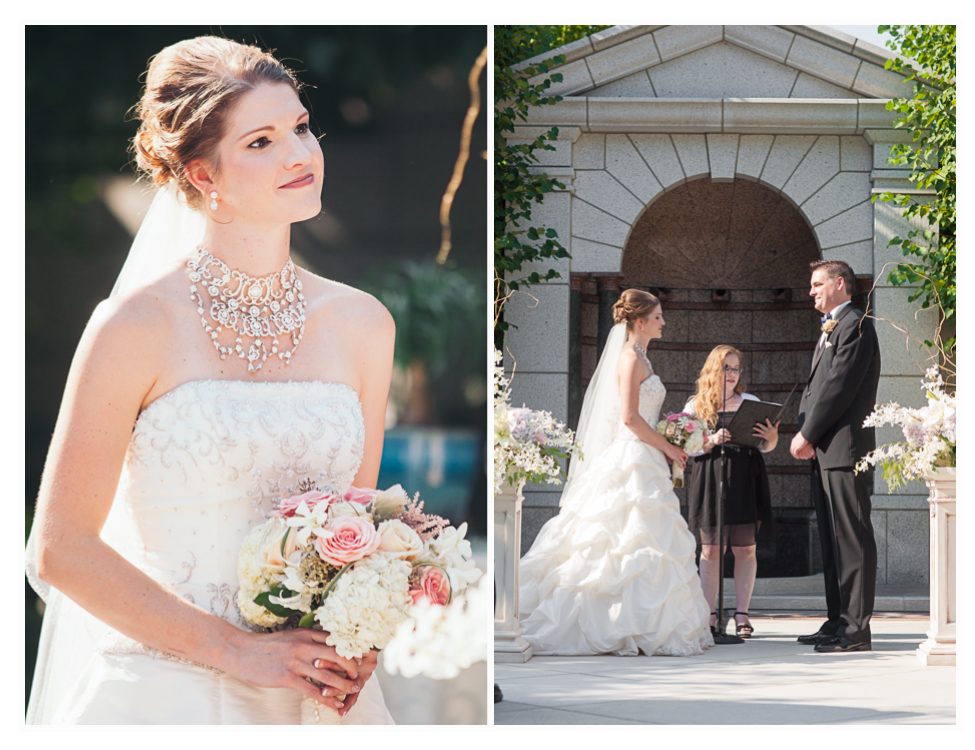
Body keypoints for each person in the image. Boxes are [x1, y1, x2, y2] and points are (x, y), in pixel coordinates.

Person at [26, 37, 397, 724]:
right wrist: (236, 650)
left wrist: (357, 631)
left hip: (315, 696)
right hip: (166, 695)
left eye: (299, 127)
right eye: (260, 141)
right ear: (202, 176)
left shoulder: (363, 325)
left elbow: (355, 529)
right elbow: (59, 549)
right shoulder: (134, 327)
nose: (299, 154)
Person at [518, 289, 714, 656]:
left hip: (648, 455)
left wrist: (673, 436)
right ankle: (614, 624)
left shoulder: (641, 356)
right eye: (657, 317)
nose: (663, 322)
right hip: (634, 456)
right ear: (640, 321)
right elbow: (628, 418)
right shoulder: (629, 357)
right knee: (622, 540)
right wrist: (669, 446)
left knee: (645, 542)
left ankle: (642, 624)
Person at [790, 259, 880, 653]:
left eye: (816, 284)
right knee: (831, 540)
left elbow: (839, 387)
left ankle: (856, 630)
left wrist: (807, 433)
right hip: (825, 451)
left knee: (852, 539)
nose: (811, 291)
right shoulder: (833, 325)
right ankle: (837, 620)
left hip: (845, 450)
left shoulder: (855, 325)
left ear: (839, 284)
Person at [684, 346, 778, 638]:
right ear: (713, 370)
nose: (732, 374)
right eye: (726, 368)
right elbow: (687, 448)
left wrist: (771, 438)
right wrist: (710, 440)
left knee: (745, 548)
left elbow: (766, 446)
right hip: (710, 477)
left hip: (745, 477)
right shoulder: (696, 406)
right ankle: (709, 615)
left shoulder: (750, 402)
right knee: (710, 549)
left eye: (736, 369)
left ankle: (742, 614)